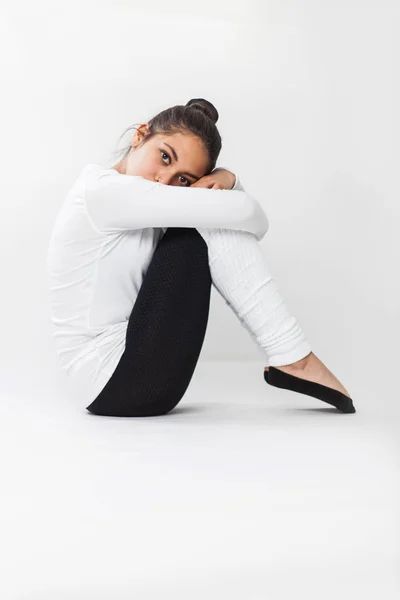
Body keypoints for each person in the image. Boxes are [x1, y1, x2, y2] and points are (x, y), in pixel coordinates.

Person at [46, 98, 356, 416]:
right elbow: (250, 213)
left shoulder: (135, 199)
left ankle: (292, 356)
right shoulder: (104, 192)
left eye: (183, 179)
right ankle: (293, 355)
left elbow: (252, 221)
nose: (164, 181)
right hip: (117, 381)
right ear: (140, 135)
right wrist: (229, 179)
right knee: (205, 222)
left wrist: (219, 183)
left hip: (142, 382)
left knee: (207, 219)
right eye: (164, 157)